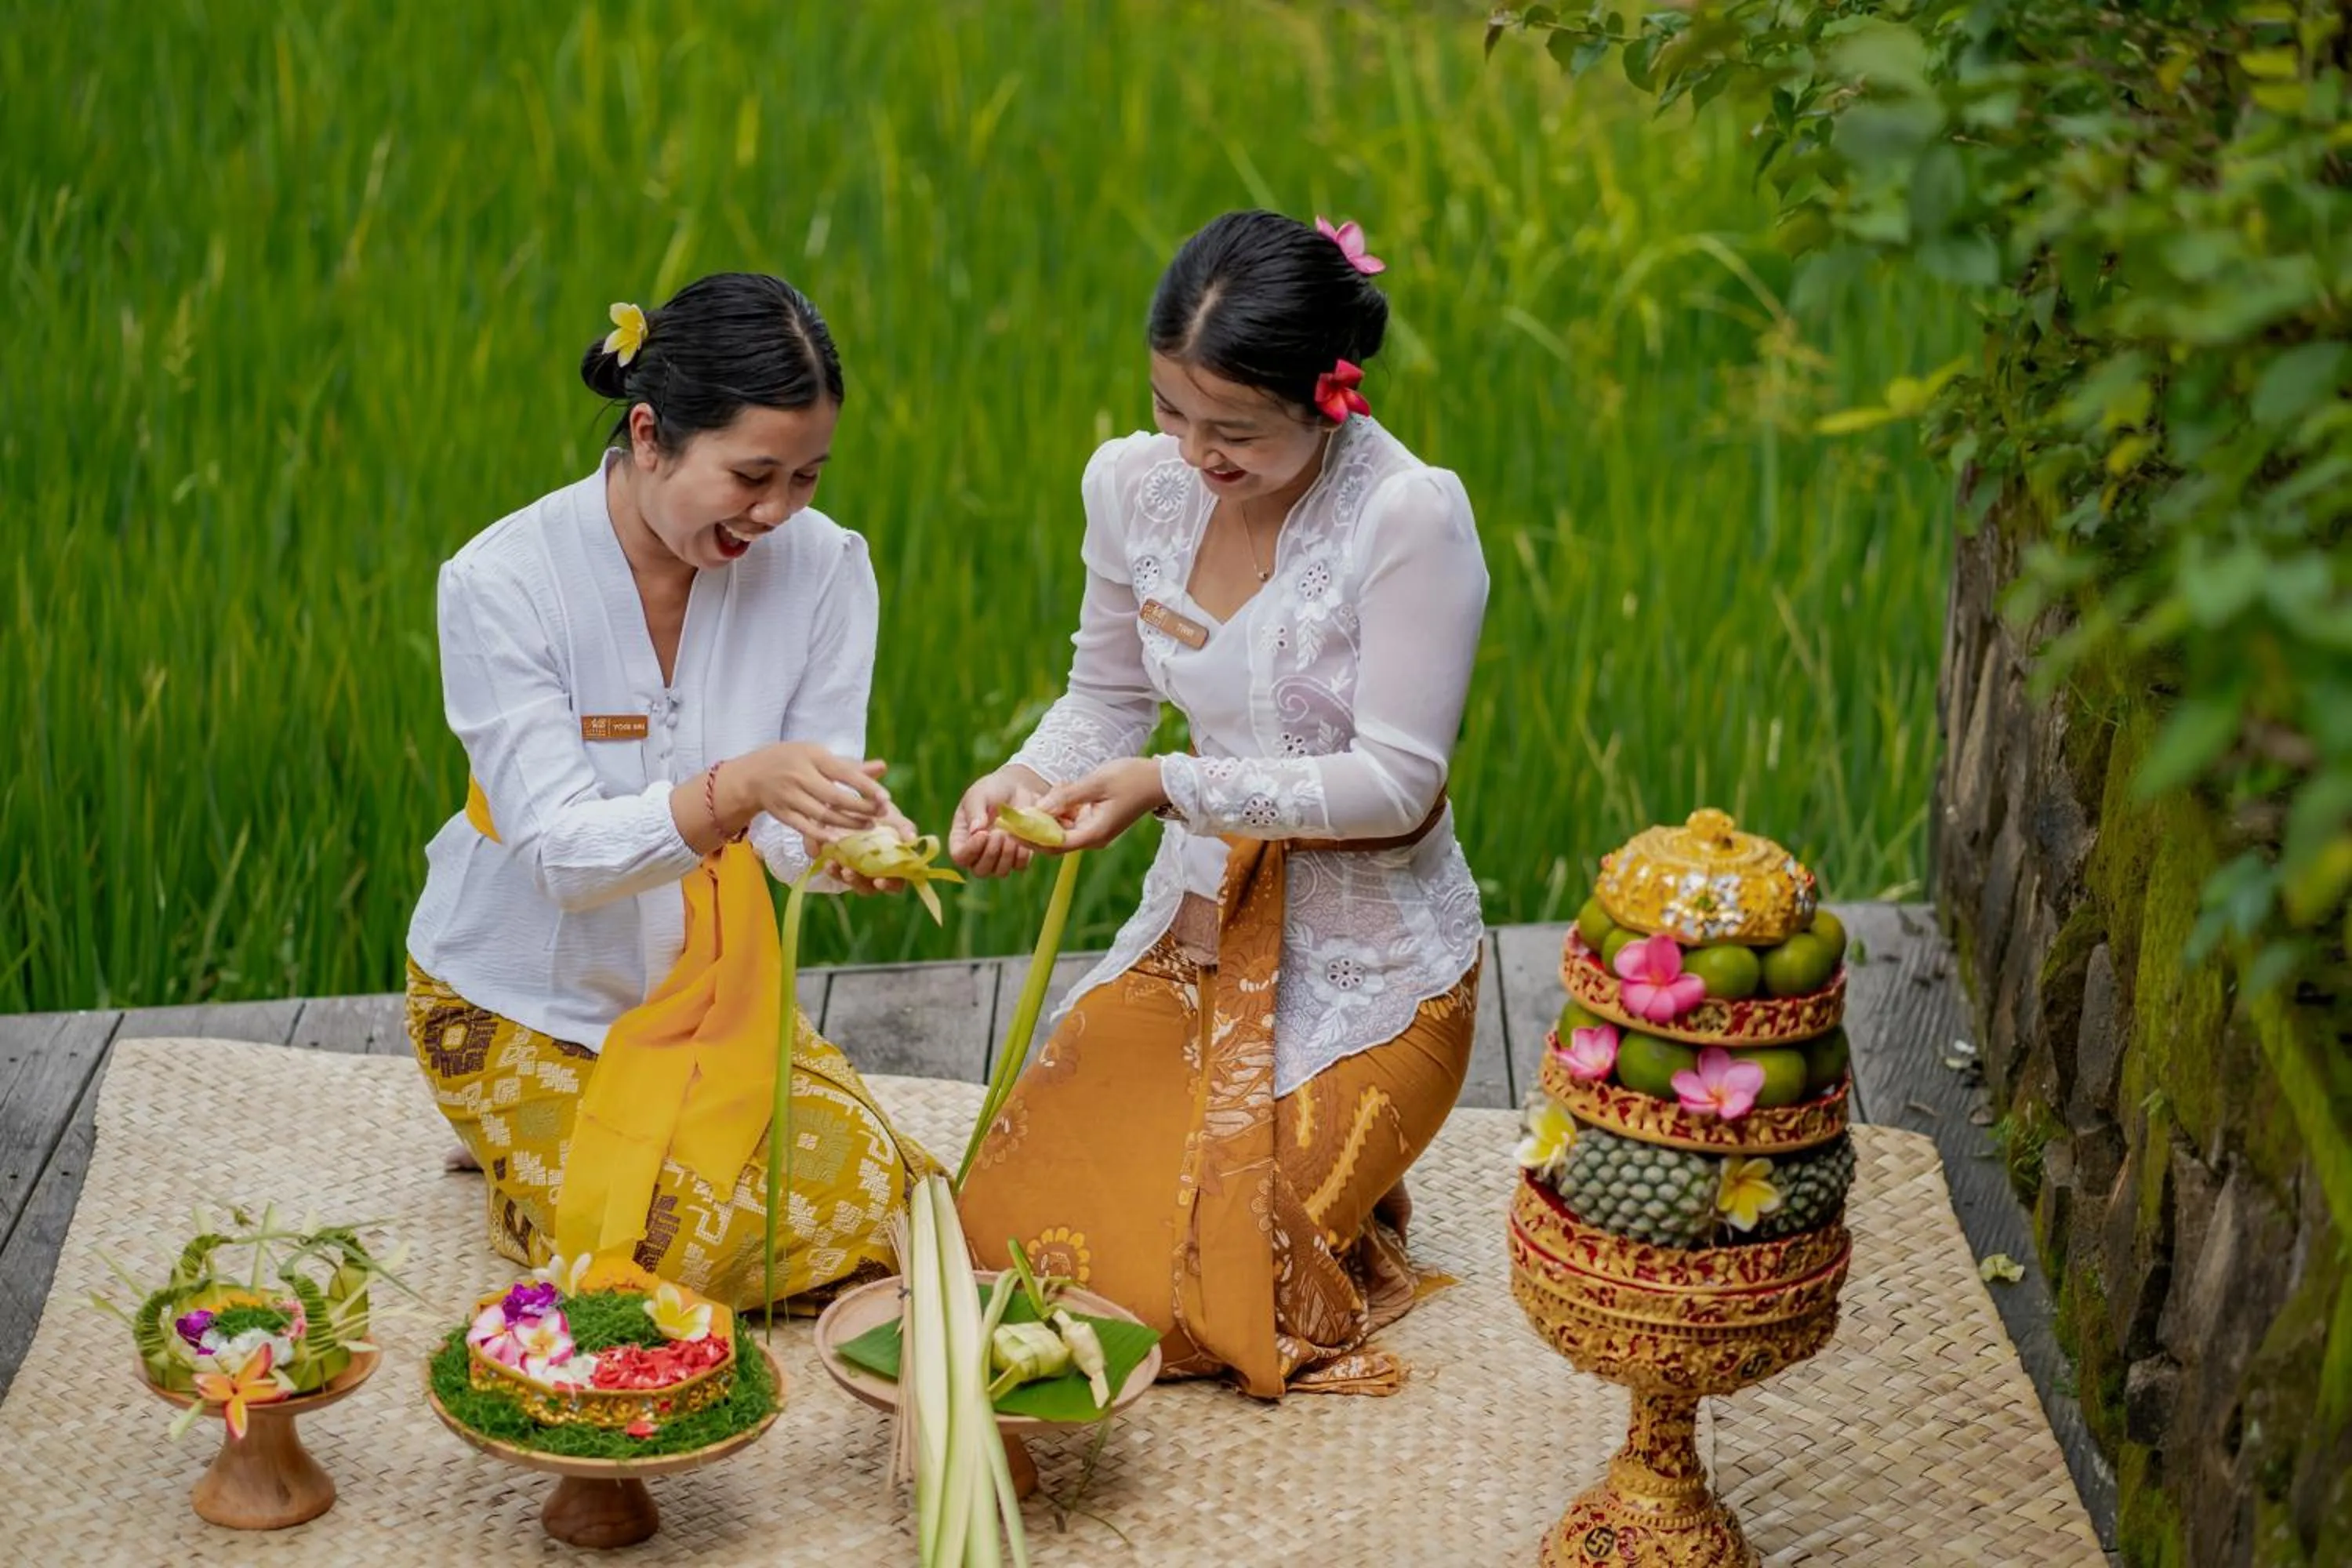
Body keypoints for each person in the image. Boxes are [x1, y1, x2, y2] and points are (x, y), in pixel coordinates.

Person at [951, 212, 1489, 1396]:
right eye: (1169, 409)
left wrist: (1170, 789)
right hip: (1198, 932)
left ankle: (1340, 1162)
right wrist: (1021, 785)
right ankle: (1315, 1183)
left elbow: (1400, 780)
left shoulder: (1407, 519)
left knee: (1183, 1300)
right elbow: (1105, 699)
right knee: (1006, 1245)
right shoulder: (1133, 487)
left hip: (1369, 965)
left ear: (1330, 398)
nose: (1195, 453)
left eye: (1234, 430)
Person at [405, 272, 932, 1310]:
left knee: (886, 1213)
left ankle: (540, 1172)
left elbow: (792, 829)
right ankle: (521, 1176)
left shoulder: (827, 571)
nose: (778, 512)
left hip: (713, 987)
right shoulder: (503, 583)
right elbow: (559, 858)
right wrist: (738, 788)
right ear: (648, 435)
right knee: (668, 1254)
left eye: (808, 477)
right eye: (751, 475)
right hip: (523, 997)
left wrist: (846, 841)